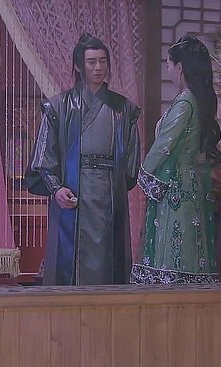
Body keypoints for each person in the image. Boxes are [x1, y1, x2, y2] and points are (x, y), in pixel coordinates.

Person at [24, 33, 142, 285]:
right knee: (69, 263)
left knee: (108, 262)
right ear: (79, 66)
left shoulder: (123, 109)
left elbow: (131, 164)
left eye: (102, 61)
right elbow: (44, 157)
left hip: (108, 197)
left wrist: (116, 185)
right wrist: (56, 189)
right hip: (72, 194)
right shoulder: (59, 106)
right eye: (91, 62)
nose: (98, 67)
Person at [131, 36, 221, 284]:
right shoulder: (196, 100)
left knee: (174, 256)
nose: (168, 70)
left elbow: (164, 144)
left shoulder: (184, 102)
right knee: (189, 251)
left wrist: (144, 173)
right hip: (189, 187)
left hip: (175, 189)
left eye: (168, 65)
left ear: (179, 67)